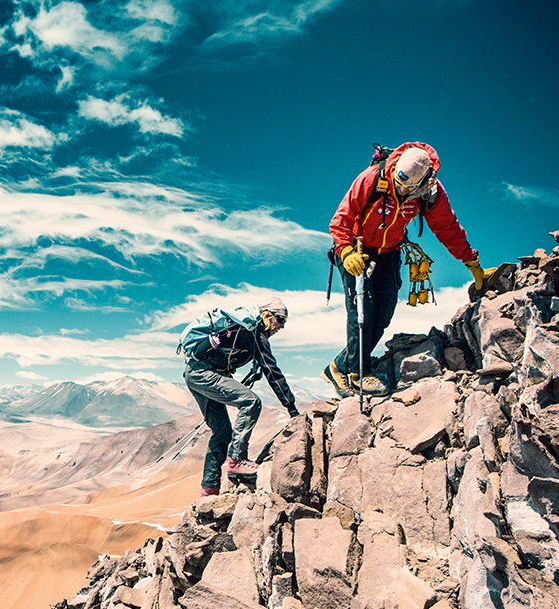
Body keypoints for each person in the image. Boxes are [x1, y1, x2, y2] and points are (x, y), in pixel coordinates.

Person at [323, 142, 495, 397]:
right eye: (398, 181)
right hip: (355, 249)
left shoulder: (431, 193)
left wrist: (471, 261)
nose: (400, 188)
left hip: (389, 253)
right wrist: (346, 252)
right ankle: (359, 374)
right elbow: (341, 220)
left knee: (383, 314)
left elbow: (449, 229)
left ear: (422, 181)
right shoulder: (374, 178)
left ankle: (338, 366)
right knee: (362, 310)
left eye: (407, 186)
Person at [182, 297, 299, 497]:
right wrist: (292, 409)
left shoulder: (243, 329)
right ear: (267, 315)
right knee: (251, 402)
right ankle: (236, 461)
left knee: (222, 432)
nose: (282, 327)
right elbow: (272, 371)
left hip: (194, 374)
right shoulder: (254, 331)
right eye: (280, 320)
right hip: (206, 374)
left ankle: (208, 489)